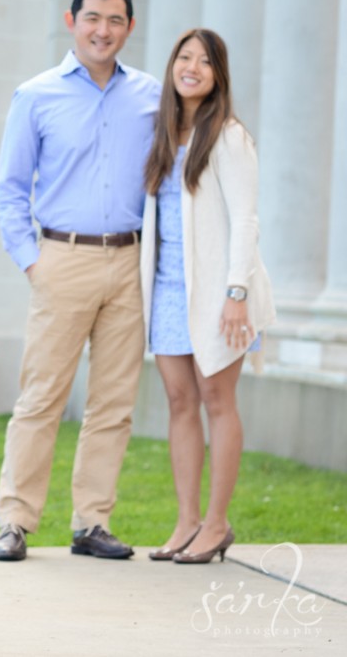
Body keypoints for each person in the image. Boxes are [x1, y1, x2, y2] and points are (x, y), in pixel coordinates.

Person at [0, 0, 161, 562]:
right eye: (93, 18)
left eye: (115, 20)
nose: (103, 29)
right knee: (42, 397)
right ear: (73, 20)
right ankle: (15, 521)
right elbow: (9, 190)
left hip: (132, 262)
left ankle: (92, 523)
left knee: (114, 403)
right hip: (61, 258)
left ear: (129, 28)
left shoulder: (151, 97)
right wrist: (33, 263)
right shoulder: (35, 95)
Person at [141, 28, 275, 564]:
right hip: (170, 289)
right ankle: (187, 522)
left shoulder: (229, 136)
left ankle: (217, 524)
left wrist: (237, 292)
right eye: (184, 57)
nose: (191, 66)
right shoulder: (163, 135)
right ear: (173, 65)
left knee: (217, 401)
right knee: (179, 403)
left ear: (218, 75)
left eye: (204, 61)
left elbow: (246, 219)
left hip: (220, 292)